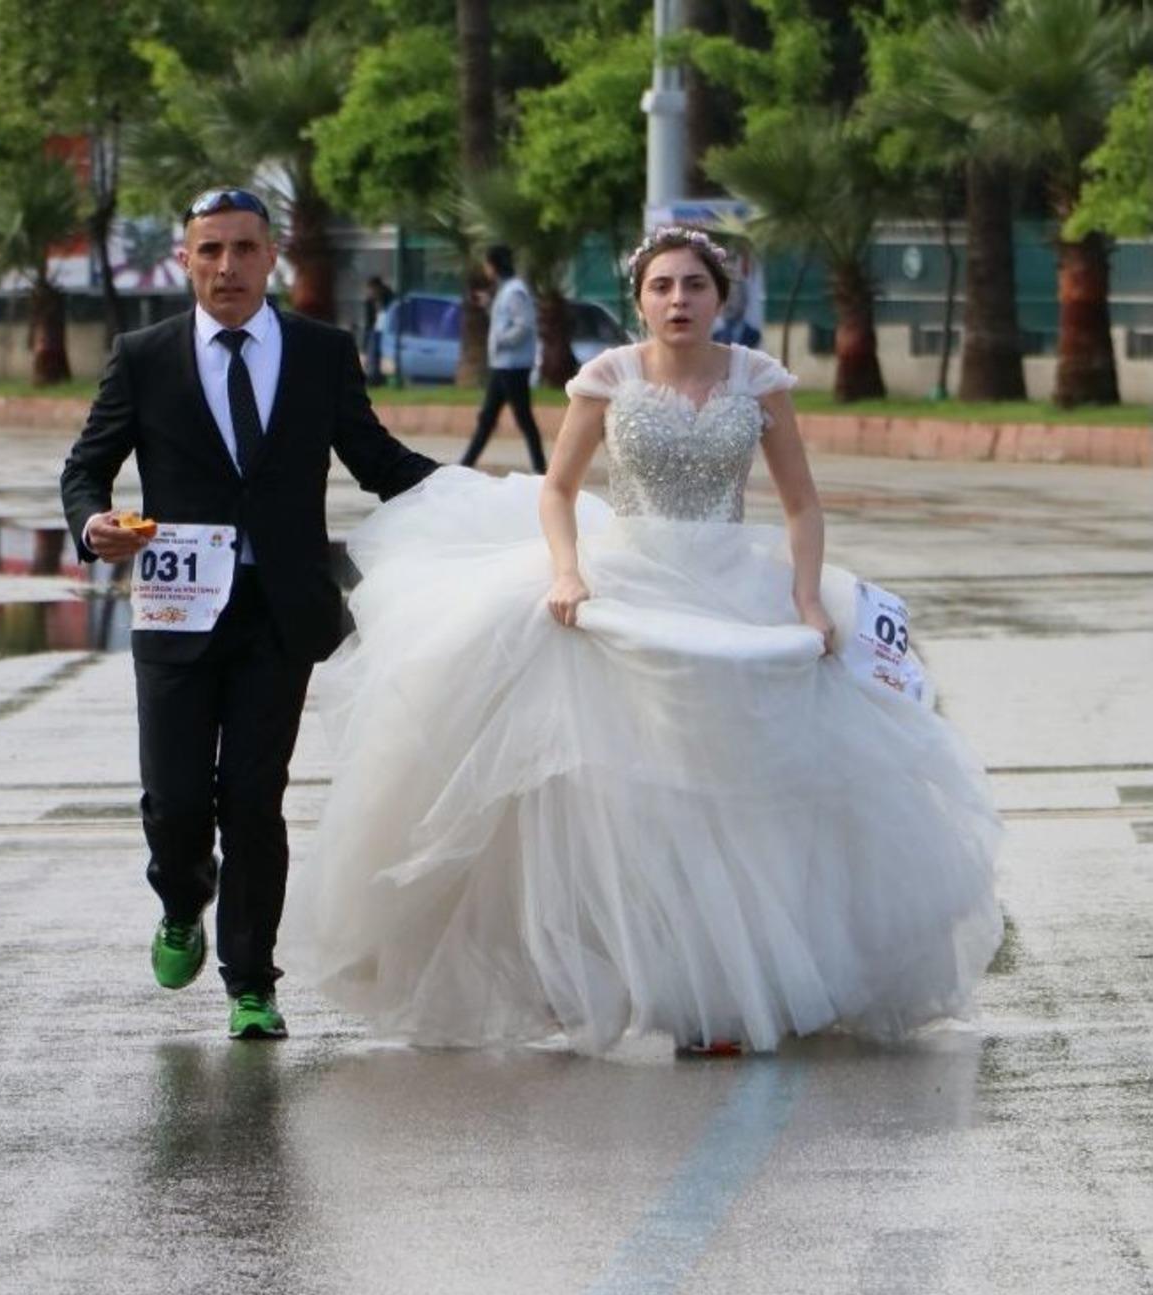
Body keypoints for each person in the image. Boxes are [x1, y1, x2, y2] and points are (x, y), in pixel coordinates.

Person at [281, 226, 1001, 1057]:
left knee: (738, 786)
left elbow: (802, 503)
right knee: (626, 792)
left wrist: (807, 597)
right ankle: (616, 976)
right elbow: (557, 492)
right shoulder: (606, 378)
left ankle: (727, 996)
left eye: (694, 285)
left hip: (733, 584)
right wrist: (566, 571)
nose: (678, 301)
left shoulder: (759, 381)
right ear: (640, 299)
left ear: (719, 296)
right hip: (629, 577)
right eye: (661, 287)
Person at [60, 187, 437, 1041]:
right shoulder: (144, 356)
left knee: (254, 799)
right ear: (185, 261)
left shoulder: (320, 352)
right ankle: (182, 899)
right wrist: (95, 523)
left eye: (243, 249)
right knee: (176, 800)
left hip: (281, 612)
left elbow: (376, 459)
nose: (226, 267)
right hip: (175, 612)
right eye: (209, 251)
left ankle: (250, 984)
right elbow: (87, 467)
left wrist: (488, 502)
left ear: (273, 259)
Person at [460, 244, 546, 474]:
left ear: (495, 265)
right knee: (488, 417)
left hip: (513, 365)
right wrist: (489, 306)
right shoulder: (505, 290)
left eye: (488, 264)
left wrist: (502, 340)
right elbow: (505, 321)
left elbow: (523, 324)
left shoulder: (515, 291)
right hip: (503, 365)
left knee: (523, 418)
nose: (486, 270)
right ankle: (465, 465)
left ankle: (541, 469)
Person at [361, 275, 394, 386]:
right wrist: (364, 346)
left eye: (373, 289)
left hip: (388, 330)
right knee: (372, 351)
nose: (371, 292)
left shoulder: (389, 298)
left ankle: (378, 377)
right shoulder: (369, 302)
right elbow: (368, 323)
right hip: (375, 330)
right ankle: (374, 378)